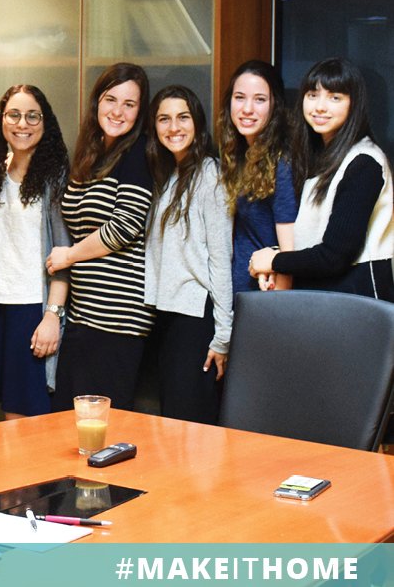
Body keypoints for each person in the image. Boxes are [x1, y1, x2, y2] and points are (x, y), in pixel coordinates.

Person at [48, 63, 153, 412]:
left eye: (129, 104)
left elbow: (125, 226)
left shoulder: (138, 154)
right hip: (83, 314)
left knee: (104, 426)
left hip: (117, 317)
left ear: (139, 112)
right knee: (69, 421)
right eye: (111, 100)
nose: (118, 111)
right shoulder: (91, 155)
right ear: (97, 102)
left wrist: (69, 256)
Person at [250, 57, 393, 300]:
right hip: (326, 297)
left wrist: (274, 260)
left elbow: (334, 257)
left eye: (334, 98)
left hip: (358, 301)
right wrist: (275, 261)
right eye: (313, 95)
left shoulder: (364, 162)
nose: (320, 107)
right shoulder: (320, 157)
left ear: (354, 104)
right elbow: (315, 240)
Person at [0, 84, 70, 419]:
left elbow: (63, 252)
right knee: (7, 416)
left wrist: (52, 316)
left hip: (32, 308)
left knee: (27, 418)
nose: (22, 124)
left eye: (32, 116)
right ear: (1, 119)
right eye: (14, 115)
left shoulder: (55, 177)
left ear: (45, 122)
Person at [144, 85, 233, 425]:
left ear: (197, 122)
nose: (173, 127)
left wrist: (222, 336)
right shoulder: (168, 174)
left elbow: (220, 258)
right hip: (167, 314)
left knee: (190, 424)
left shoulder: (210, 175)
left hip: (196, 315)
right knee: (171, 422)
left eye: (183, 117)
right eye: (164, 119)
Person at [217, 60, 297, 293]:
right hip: (239, 293)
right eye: (239, 97)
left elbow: (289, 254)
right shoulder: (236, 154)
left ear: (274, 106)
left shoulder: (281, 163)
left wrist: (278, 303)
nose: (247, 109)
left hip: (266, 297)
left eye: (260, 99)